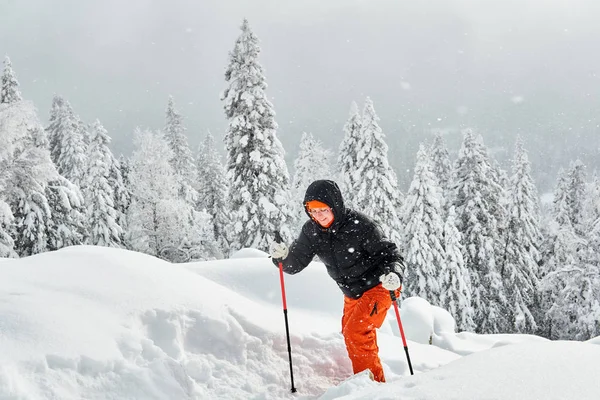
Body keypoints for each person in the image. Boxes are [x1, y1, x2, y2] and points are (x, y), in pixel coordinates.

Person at [269, 179, 404, 382]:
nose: (318, 215)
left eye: (323, 209)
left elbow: (391, 255)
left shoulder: (361, 226)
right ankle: (367, 378)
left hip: (380, 286)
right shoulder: (311, 231)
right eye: (312, 210)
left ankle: (373, 387)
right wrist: (281, 258)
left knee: (356, 332)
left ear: (334, 205)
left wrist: (394, 274)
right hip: (351, 293)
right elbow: (295, 263)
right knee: (351, 334)